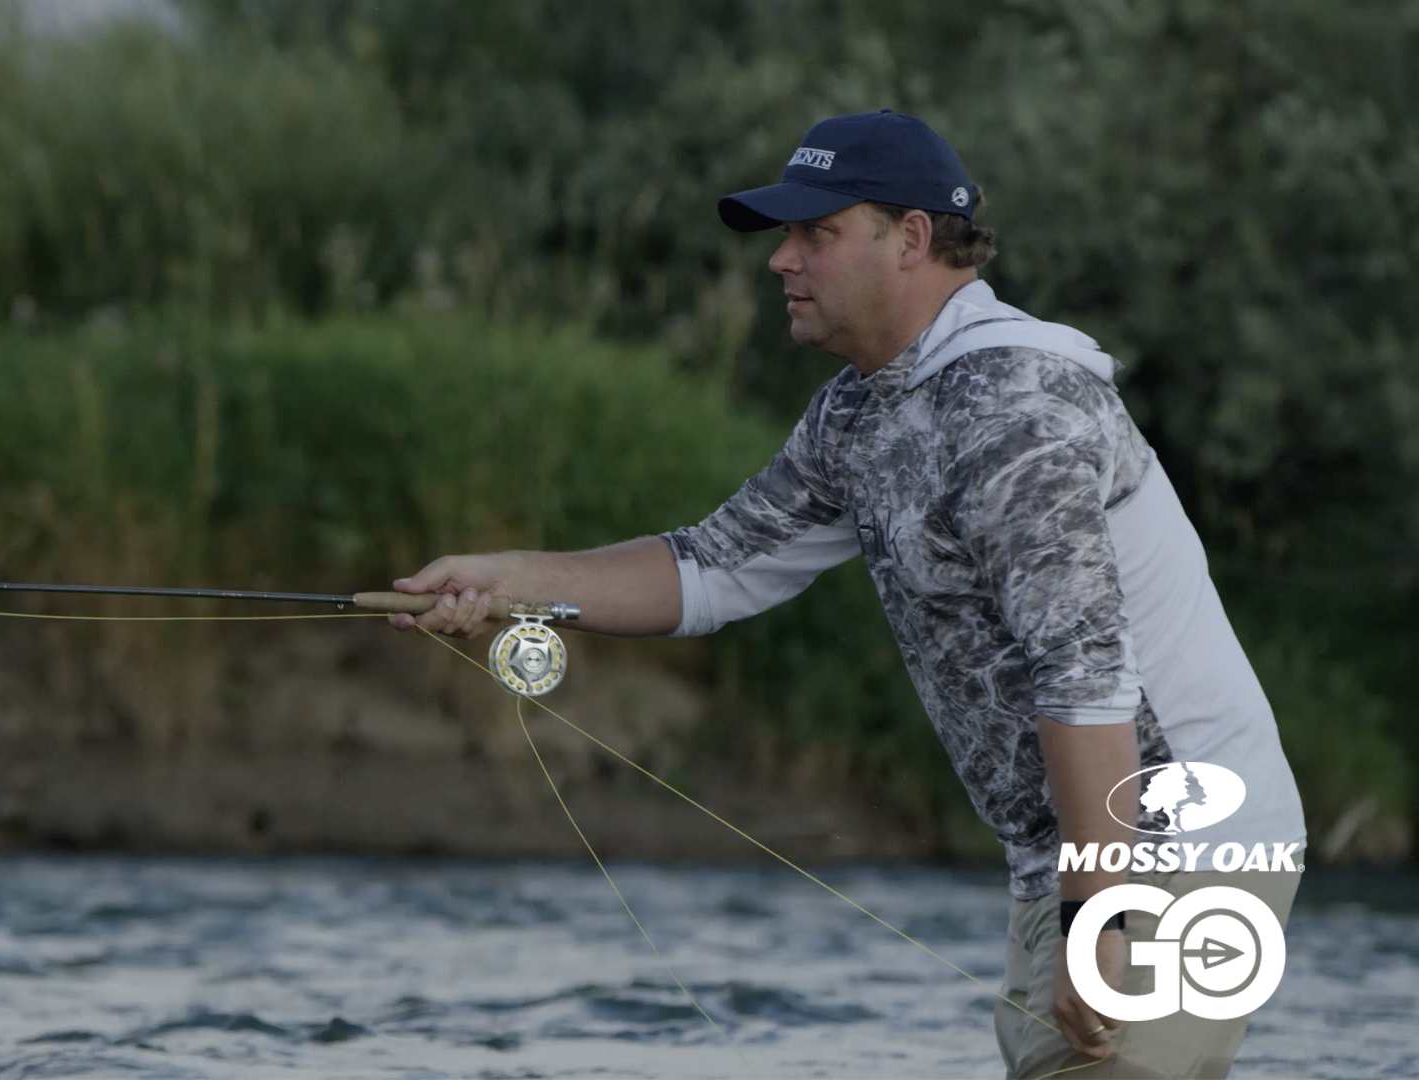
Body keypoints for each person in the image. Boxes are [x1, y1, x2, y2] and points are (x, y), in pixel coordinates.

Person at [389, 110, 1306, 1079]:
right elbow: (714, 567)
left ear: (909, 238)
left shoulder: (1018, 406)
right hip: (1086, 862)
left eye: (816, 233)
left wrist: (1099, 917)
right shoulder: (861, 408)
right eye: (786, 234)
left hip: (1181, 844)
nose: (782, 259)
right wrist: (510, 581)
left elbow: (1082, 673)